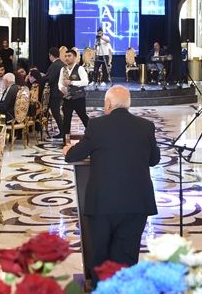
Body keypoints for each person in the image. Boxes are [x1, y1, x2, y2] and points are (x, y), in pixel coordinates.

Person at [64, 86, 159, 269]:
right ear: (128, 104)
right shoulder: (146, 126)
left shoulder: (96, 125)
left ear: (108, 104)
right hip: (136, 203)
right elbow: (154, 160)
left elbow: (74, 155)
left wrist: (68, 150)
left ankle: (101, 287)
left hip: (103, 203)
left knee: (101, 260)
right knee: (127, 258)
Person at [60, 48, 90, 133]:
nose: (67, 58)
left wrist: (72, 82)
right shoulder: (63, 69)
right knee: (66, 120)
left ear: (75, 57)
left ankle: (92, 134)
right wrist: (61, 88)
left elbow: (85, 82)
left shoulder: (80, 68)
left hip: (78, 98)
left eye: (69, 56)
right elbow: (60, 82)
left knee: (83, 117)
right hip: (67, 98)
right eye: (65, 56)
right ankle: (66, 138)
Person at [45, 47, 67, 139]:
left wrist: (42, 78)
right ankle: (63, 131)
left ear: (51, 55)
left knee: (55, 112)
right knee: (56, 112)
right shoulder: (62, 64)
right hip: (61, 91)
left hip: (55, 92)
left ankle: (63, 131)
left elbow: (50, 79)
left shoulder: (55, 65)